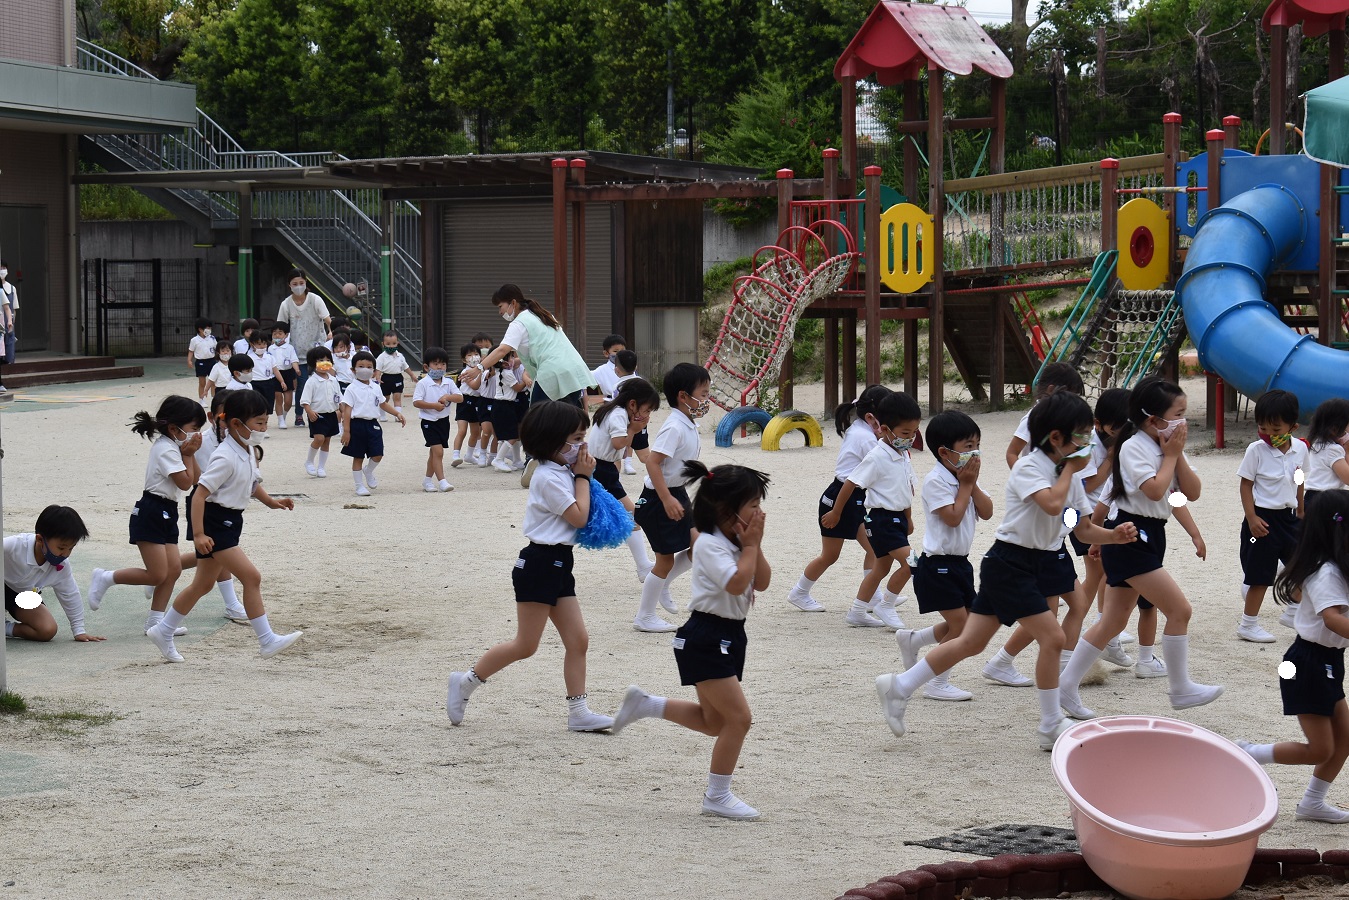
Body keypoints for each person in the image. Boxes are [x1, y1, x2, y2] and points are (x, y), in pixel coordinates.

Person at [876, 392, 1138, 750]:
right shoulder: (1031, 468)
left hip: (1034, 562)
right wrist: (1071, 471)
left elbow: (1079, 526)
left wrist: (1112, 536)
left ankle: (899, 686)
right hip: (1010, 563)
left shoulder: (1070, 479)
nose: (1088, 444)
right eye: (1081, 436)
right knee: (1053, 637)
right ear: (1056, 438)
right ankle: (1050, 723)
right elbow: (1051, 505)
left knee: (971, 642)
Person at [610, 461, 772, 820]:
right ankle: (717, 796)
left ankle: (646, 705)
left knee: (714, 722)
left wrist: (753, 546)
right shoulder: (711, 545)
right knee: (739, 719)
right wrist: (749, 548)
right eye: (753, 505)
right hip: (706, 636)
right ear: (727, 510)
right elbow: (736, 584)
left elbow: (760, 582)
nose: (759, 512)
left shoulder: (737, 543)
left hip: (729, 634)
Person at [1058, 377, 1224, 717]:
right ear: (1153, 418)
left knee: (1112, 622)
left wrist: (1176, 455)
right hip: (1132, 534)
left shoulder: (1165, 446)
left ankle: (1065, 686)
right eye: (1178, 414)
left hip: (1149, 533)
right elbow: (1154, 489)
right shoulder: (1133, 447)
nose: (1183, 421)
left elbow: (1190, 493)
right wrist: (1171, 455)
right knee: (1180, 610)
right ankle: (1180, 688)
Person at [445, 401, 615, 733]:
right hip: (539, 563)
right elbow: (578, 517)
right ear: (553, 441)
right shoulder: (549, 476)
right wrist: (583, 476)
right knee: (526, 644)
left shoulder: (562, 471)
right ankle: (465, 682)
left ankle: (579, 712)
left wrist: (583, 475)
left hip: (559, 562)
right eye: (576, 439)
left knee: (578, 640)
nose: (582, 446)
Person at [146, 390, 303, 662]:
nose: (263, 429)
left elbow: (251, 483)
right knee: (252, 577)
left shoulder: (247, 449)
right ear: (235, 424)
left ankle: (164, 629)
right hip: (216, 522)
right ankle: (266, 640)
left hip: (230, 520)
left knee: (202, 585)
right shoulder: (225, 456)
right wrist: (198, 534)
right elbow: (199, 495)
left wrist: (272, 502)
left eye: (265, 422)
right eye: (259, 423)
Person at [1237, 491, 1349, 823]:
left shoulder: (1337, 567)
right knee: (1320, 748)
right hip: (1306, 664)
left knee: (1344, 738)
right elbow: (1331, 618)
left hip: (1328, 661)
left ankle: (1312, 803)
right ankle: (1250, 753)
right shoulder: (1326, 572)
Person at [895, 410, 994, 701]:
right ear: (944, 452)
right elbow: (952, 517)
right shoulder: (936, 480)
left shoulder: (964, 477)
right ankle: (936, 682)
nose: (975, 453)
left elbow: (987, 512)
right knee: (962, 628)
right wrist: (966, 486)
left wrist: (971, 484)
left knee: (965, 623)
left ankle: (915, 639)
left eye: (977, 445)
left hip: (959, 564)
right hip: (937, 566)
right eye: (968, 446)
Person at [86, 396, 207, 630]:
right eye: (194, 428)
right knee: (157, 575)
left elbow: (197, 479)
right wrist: (189, 455)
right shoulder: (165, 449)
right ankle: (107, 577)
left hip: (168, 510)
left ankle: (155, 622)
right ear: (174, 428)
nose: (197, 434)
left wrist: (189, 454)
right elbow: (185, 483)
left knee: (173, 570)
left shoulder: (177, 446)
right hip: (152, 510)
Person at [822, 390, 923, 629]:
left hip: (897, 519)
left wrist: (908, 519)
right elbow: (850, 483)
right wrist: (836, 512)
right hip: (881, 521)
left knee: (880, 568)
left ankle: (857, 612)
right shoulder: (877, 456)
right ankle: (886, 605)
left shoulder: (902, 454)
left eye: (914, 432)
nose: (910, 438)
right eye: (905, 433)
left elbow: (905, 489)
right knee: (913, 563)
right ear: (885, 429)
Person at [789, 385, 890, 614]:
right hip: (841, 498)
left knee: (874, 548)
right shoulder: (866, 438)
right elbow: (880, 470)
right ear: (871, 416)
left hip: (852, 498)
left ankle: (873, 596)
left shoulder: (861, 428)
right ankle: (799, 592)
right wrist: (836, 511)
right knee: (830, 555)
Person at [632, 363, 712, 633]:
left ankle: (664, 584)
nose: (706, 400)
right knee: (664, 561)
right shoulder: (674, 427)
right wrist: (666, 499)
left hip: (675, 493)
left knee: (698, 544)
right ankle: (644, 616)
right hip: (658, 499)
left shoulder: (688, 423)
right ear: (683, 396)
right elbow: (652, 462)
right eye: (703, 394)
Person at [1238, 390, 1306, 643]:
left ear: (1293, 427)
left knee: (1303, 566)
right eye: (1262, 428)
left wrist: (1301, 509)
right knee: (1260, 576)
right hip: (1262, 520)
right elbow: (1246, 485)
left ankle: (1294, 611)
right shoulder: (1256, 450)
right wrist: (1252, 518)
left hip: (1289, 518)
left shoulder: (1300, 448)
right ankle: (1248, 625)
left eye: (1275, 429)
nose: (1268, 434)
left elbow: (1300, 478)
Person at [587, 377, 661, 580]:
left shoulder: (614, 411)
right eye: (646, 410)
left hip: (604, 469)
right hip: (601, 470)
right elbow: (619, 443)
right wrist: (634, 429)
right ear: (633, 404)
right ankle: (643, 566)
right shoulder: (619, 415)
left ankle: (643, 564)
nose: (647, 416)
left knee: (628, 516)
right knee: (632, 516)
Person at [480, 283, 596, 407]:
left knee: (537, 416)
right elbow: (545, 348)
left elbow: (502, 350)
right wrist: (517, 361)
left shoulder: (518, 324)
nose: (500, 312)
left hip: (551, 374)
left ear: (513, 303)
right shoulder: (544, 315)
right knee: (567, 416)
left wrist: (479, 368)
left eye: (500, 306)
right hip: (573, 370)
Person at [4, 505, 101, 642]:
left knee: (47, 630)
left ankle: (4, 628)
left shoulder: (62, 566)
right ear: (39, 540)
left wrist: (79, 630)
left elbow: (70, 594)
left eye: (71, 548)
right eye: (61, 548)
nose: (66, 554)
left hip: (23, 595)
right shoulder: (12, 546)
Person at [340, 350, 406, 497]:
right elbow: (347, 410)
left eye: (369, 367)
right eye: (361, 366)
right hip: (356, 425)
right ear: (353, 370)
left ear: (374, 370)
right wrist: (346, 431)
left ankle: (368, 470)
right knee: (358, 457)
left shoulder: (376, 386)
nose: (365, 369)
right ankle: (359, 486)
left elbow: (383, 403)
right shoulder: (351, 388)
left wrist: (397, 413)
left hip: (373, 425)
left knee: (378, 454)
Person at [276, 268, 332, 426]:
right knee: (302, 385)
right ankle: (299, 415)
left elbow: (327, 319)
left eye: (301, 283)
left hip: (318, 350)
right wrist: (279, 345)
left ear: (306, 283)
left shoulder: (315, 300)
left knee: (323, 382)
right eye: (295, 284)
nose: (299, 286)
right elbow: (281, 326)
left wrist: (331, 331)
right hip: (297, 352)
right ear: (289, 285)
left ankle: (322, 413)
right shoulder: (286, 304)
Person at [1004, 362, 1085, 468]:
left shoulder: (1063, 417)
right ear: (1051, 390)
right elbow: (1012, 453)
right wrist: (1023, 475)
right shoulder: (1033, 418)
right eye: (1070, 396)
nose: (1073, 402)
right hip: (1036, 474)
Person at [411, 346, 463, 492]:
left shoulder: (449, 382)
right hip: (429, 422)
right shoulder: (423, 383)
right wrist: (433, 406)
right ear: (426, 367)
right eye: (436, 364)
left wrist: (448, 396)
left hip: (443, 421)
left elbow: (460, 397)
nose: (440, 367)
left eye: (443, 364)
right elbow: (416, 402)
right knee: (438, 452)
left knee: (434, 453)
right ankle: (442, 481)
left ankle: (427, 480)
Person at [300, 346, 342, 478]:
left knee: (327, 440)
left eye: (328, 360)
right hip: (317, 415)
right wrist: (309, 412)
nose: (325, 363)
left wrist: (342, 410)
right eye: (321, 360)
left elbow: (339, 398)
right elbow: (305, 400)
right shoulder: (311, 381)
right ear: (313, 363)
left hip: (331, 414)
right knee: (319, 438)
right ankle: (309, 461)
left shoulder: (334, 380)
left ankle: (321, 467)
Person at [1304, 398, 1349, 510]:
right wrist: (1347, 451)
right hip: (1325, 500)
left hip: (1312, 497)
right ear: (1335, 429)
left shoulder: (1317, 443)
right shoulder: (1333, 450)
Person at [489, 350, 528, 472]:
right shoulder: (507, 373)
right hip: (504, 406)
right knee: (512, 436)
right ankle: (498, 459)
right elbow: (518, 388)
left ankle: (514, 460)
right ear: (504, 362)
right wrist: (526, 378)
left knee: (509, 434)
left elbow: (517, 362)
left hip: (504, 405)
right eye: (511, 357)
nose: (513, 359)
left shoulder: (500, 371)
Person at [453, 343, 488, 467]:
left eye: (476, 354)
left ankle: (469, 455)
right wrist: (481, 373)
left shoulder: (481, 370)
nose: (474, 357)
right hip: (464, 401)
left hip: (476, 401)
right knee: (462, 430)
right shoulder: (466, 372)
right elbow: (474, 386)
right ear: (464, 360)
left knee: (475, 432)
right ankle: (456, 455)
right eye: (470, 355)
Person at [612, 349, 644, 474]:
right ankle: (628, 463)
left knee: (619, 451)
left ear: (616, 369)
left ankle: (620, 472)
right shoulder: (642, 382)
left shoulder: (617, 386)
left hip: (623, 420)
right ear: (636, 367)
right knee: (643, 454)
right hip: (640, 420)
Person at [375, 331, 418, 421]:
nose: (391, 346)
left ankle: (398, 416)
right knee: (385, 398)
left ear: (397, 343)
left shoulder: (400, 356)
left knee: (397, 397)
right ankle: (382, 415)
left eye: (394, 343)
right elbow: (378, 368)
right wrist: (378, 378)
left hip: (398, 378)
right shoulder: (381, 357)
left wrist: (412, 375)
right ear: (383, 344)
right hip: (386, 378)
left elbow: (406, 367)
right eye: (388, 344)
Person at [268, 322, 302, 429]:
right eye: (274, 333)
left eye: (280, 333)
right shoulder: (270, 348)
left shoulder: (290, 348)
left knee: (288, 401)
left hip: (288, 373)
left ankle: (284, 415)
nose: (277, 336)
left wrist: (297, 369)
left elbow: (294, 360)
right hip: (275, 374)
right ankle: (280, 420)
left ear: (286, 335)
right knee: (278, 397)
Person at [247, 331, 282, 430]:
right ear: (252, 344)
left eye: (264, 344)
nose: (262, 346)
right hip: (255, 383)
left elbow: (275, 370)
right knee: (256, 405)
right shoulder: (249, 358)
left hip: (268, 383)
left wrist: (282, 381)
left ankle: (264, 425)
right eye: (259, 344)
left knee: (268, 405)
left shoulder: (269, 357)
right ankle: (255, 425)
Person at [588, 334, 627, 408]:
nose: (620, 354)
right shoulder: (601, 371)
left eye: (623, 350)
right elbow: (586, 377)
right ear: (606, 353)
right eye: (615, 351)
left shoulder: (629, 367)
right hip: (611, 405)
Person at [187, 317, 217, 405]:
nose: (209, 330)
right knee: (202, 382)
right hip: (201, 362)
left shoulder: (212, 338)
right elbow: (191, 351)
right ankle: (201, 399)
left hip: (212, 361)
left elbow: (216, 349)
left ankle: (214, 399)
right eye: (207, 328)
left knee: (213, 382)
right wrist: (189, 360)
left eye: (210, 328)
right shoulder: (194, 340)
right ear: (200, 329)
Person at [0, 260, 17, 392]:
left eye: (3, 267)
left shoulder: (9, 289)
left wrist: (11, 321)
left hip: (4, 325)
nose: (2, 270)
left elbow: (9, 308)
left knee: (6, 352)